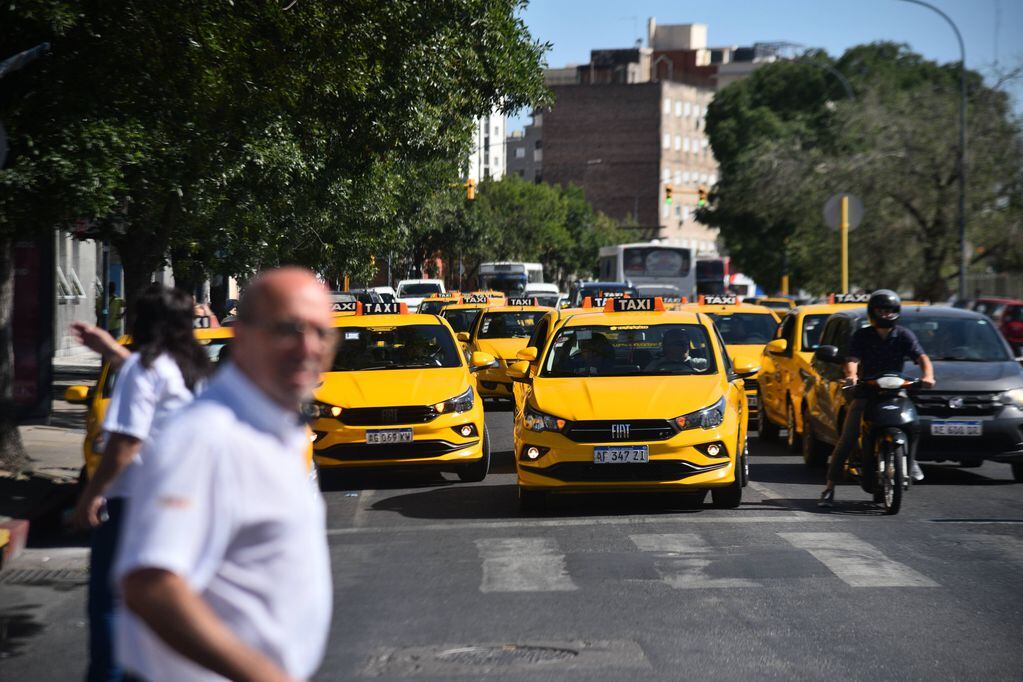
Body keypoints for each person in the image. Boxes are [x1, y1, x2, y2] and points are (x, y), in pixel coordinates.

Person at [114, 267, 336, 682]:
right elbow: (150, 584)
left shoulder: (275, 428)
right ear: (243, 335)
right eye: (288, 329)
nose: (308, 347)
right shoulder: (206, 437)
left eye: (322, 333)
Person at [73, 283, 213, 682]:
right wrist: (110, 352)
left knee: (110, 601)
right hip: (180, 500)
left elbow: (125, 443)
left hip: (136, 502)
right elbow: (150, 381)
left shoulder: (144, 367)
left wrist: (91, 494)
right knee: (162, 599)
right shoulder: (192, 369)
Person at [819, 289, 935, 508]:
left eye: (891, 310)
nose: (887, 314)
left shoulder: (903, 335)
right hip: (867, 392)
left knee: (914, 424)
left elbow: (922, 357)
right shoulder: (862, 335)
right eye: (882, 310)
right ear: (873, 312)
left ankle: (911, 462)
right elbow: (852, 358)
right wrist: (852, 376)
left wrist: (928, 376)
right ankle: (829, 487)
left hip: (896, 391)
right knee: (848, 438)